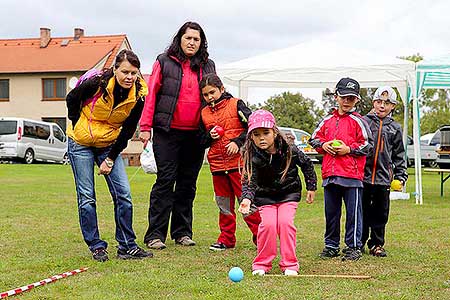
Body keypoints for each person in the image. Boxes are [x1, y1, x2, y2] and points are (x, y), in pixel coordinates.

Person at [66, 49, 152, 261]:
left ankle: (126, 246)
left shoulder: (139, 95)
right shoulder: (97, 84)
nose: (129, 77)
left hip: (108, 144)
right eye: (125, 72)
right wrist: (78, 124)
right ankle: (96, 245)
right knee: (87, 197)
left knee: (124, 195)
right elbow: (71, 99)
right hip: (80, 143)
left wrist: (111, 158)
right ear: (115, 70)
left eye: (133, 73)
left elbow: (128, 130)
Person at [139, 21, 216, 250]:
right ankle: (155, 235)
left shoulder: (208, 65)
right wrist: (145, 126)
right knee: (165, 182)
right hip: (167, 132)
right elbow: (151, 94)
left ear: (201, 43)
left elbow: (215, 95)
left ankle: (182, 232)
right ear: (180, 39)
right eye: (188, 38)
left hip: (196, 134)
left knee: (187, 185)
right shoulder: (164, 61)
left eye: (196, 39)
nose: (192, 42)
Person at [238, 110, 317, 276]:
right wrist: (246, 199)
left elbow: (307, 164)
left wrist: (311, 186)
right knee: (268, 225)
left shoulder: (289, 149)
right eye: (256, 134)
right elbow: (249, 182)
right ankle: (261, 264)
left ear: (274, 131)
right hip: (265, 197)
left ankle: (290, 265)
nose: (261, 138)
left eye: (266, 133)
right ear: (251, 136)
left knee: (285, 223)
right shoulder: (252, 155)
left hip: (288, 193)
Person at [309, 77, 372, 261]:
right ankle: (331, 246)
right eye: (343, 97)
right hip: (330, 175)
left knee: (353, 214)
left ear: (357, 100)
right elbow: (313, 139)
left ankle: (353, 247)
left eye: (351, 98)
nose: (346, 101)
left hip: (352, 177)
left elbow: (368, 145)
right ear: (336, 97)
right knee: (331, 214)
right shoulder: (327, 120)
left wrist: (348, 149)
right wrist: (324, 144)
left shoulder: (359, 121)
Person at [199, 74, 261, 251]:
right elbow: (200, 140)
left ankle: (261, 237)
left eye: (212, 92)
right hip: (217, 166)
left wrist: (237, 142)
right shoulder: (203, 113)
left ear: (222, 89)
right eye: (205, 95)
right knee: (224, 205)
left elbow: (252, 127)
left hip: (238, 164)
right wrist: (208, 137)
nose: (210, 97)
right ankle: (226, 239)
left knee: (246, 203)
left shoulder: (236, 104)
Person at [362, 86, 408, 257]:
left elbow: (399, 155)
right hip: (363, 177)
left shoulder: (395, 127)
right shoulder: (364, 122)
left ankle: (377, 244)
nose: (382, 105)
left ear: (393, 106)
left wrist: (401, 175)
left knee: (380, 214)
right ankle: (358, 243)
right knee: (362, 212)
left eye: (387, 103)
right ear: (373, 102)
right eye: (379, 101)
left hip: (383, 179)